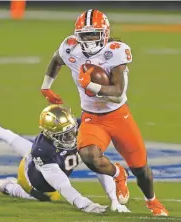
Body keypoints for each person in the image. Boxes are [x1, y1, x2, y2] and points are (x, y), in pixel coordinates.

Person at [40, 9, 168, 216]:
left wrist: (92, 86)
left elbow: (118, 93)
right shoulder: (71, 47)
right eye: (85, 34)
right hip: (92, 117)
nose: (89, 39)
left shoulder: (115, 51)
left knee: (141, 168)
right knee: (88, 155)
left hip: (119, 116)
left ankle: (152, 201)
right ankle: (118, 174)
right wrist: (46, 86)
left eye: (94, 34)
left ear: (105, 33)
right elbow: (56, 59)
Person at [0, 104, 130, 214]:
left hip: (41, 159)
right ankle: (8, 186)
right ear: (51, 134)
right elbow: (62, 185)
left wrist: (114, 199)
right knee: (49, 195)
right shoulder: (43, 150)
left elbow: (98, 165)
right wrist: (86, 204)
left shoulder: (78, 127)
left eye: (73, 132)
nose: (72, 137)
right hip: (32, 179)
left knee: (29, 149)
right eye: (66, 135)